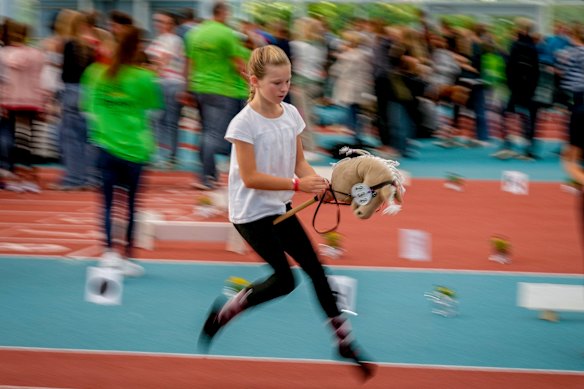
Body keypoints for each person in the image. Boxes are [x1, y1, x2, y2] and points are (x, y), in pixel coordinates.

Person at [198, 45, 375, 380]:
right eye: (276, 83)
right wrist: (298, 185)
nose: (283, 89)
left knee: (317, 271)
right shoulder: (243, 123)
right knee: (284, 280)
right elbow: (250, 178)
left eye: (287, 82)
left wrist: (314, 180)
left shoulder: (291, 114)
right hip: (250, 214)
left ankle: (344, 341)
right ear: (254, 80)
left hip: (280, 206)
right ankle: (226, 312)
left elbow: (299, 162)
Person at [81, 26, 162, 276]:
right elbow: (154, 112)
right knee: (131, 205)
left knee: (106, 203)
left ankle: (108, 253)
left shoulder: (95, 73)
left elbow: (88, 111)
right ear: (139, 48)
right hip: (135, 149)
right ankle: (127, 257)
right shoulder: (144, 77)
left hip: (106, 146)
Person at [185, 1, 246, 190]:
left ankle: (207, 174)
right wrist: (252, 81)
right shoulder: (226, 33)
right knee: (214, 134)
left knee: (205, 131)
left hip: (199, 87)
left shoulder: (194, 33)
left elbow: (189, 63)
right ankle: (207, 177)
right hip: (222, 89)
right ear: (223, 13)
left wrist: (187, 87)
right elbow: (237, 63)